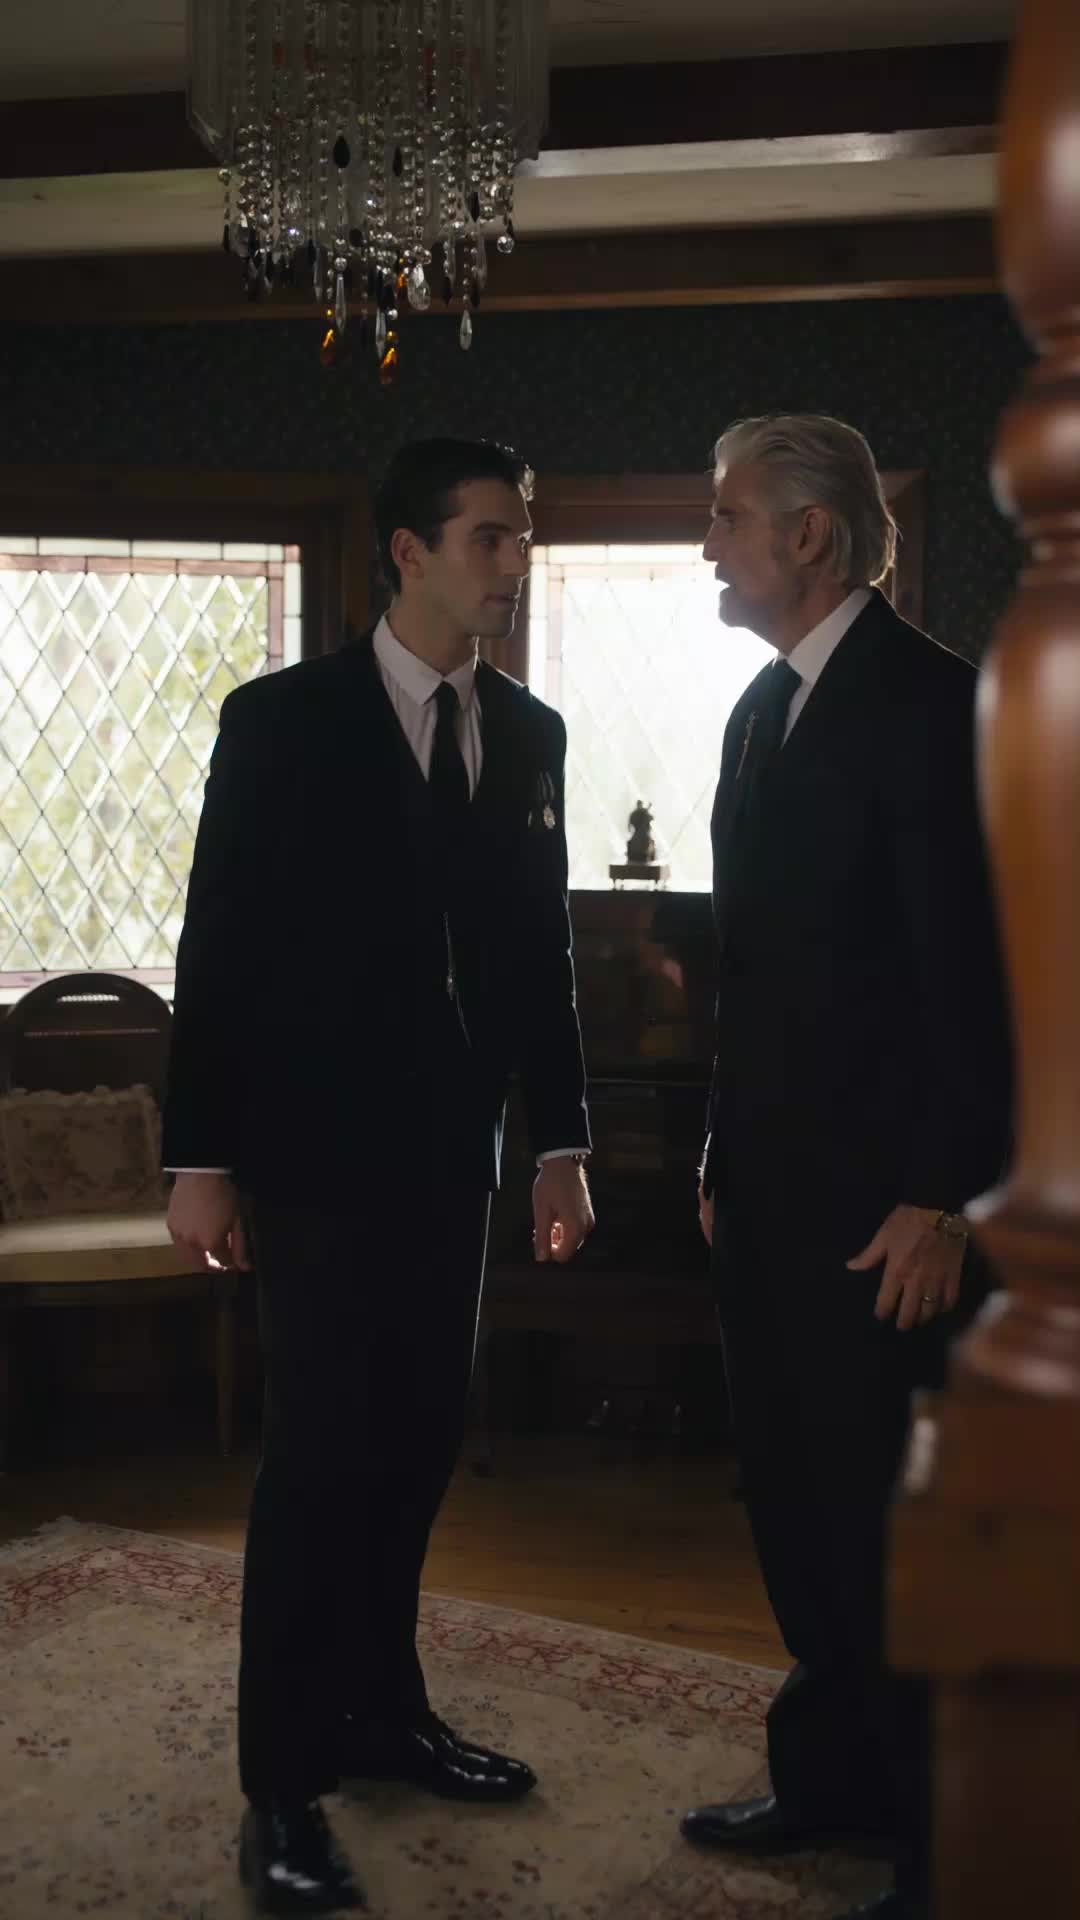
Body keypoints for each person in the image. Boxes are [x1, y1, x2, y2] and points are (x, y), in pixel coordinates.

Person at [163, 437, 594, 1915]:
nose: (512, 563)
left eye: (521, 538)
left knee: (417, 1441)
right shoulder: (281, 721)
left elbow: (537, 956)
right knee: (320, 1457)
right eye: (487, 538)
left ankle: (383, 1711)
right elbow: (217, 941)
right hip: (307, 1160)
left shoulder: (528, 732)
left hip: (454, 1164)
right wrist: (201, 1158)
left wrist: (560, 1144)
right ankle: (282, 1788)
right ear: (408, 552)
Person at [680, 414, 1011, 1920]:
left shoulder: (937, 704)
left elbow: (979, 977)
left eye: (728, 516)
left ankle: (938, 1854)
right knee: (798, 1510)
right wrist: (718, 1152)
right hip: (766, 1197)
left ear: (810, 535)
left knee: (890, 1532)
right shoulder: (760, 711)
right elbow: (751, 973)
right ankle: (827, 1782)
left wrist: (943, 1196)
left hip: (892, 1216)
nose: (709, 543)